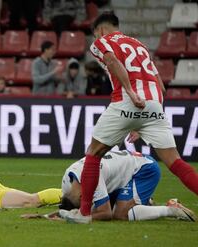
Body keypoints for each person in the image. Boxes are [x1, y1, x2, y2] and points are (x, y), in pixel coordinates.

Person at [74, 11, 198, 224]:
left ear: (100, 30)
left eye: (96, 34)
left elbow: (112, 61)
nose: (96, 40)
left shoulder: (101, 42)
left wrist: (130, 92)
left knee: (93, 154)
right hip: (154, 105)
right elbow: (160, 86)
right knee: (176, 162)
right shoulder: (139, 45)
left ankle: (84, 213)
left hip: (125, 100)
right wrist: (145, 118)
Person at [58, 150, 196, 222]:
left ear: (82, 196)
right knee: (102, 206)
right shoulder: (67, 181)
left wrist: (79, 216)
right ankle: (145, 202)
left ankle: (171, 210)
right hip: (123, 171)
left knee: (120, 214)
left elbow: (105, 214)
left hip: (143, 169)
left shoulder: (93, 177)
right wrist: (54, 215)